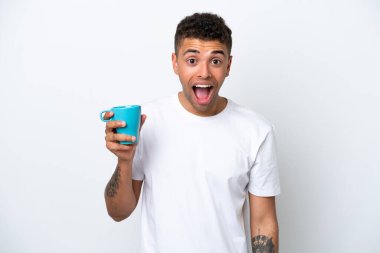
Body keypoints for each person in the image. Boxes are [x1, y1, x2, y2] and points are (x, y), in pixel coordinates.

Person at [103, 12, 280, 253]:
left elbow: (263, 222)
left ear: (228, 65)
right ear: (175, 63)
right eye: (192, 60)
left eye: (215, 61)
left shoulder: (257, 131)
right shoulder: (147, 121)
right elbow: (118, 212)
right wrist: (124, 161)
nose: (204, 72)